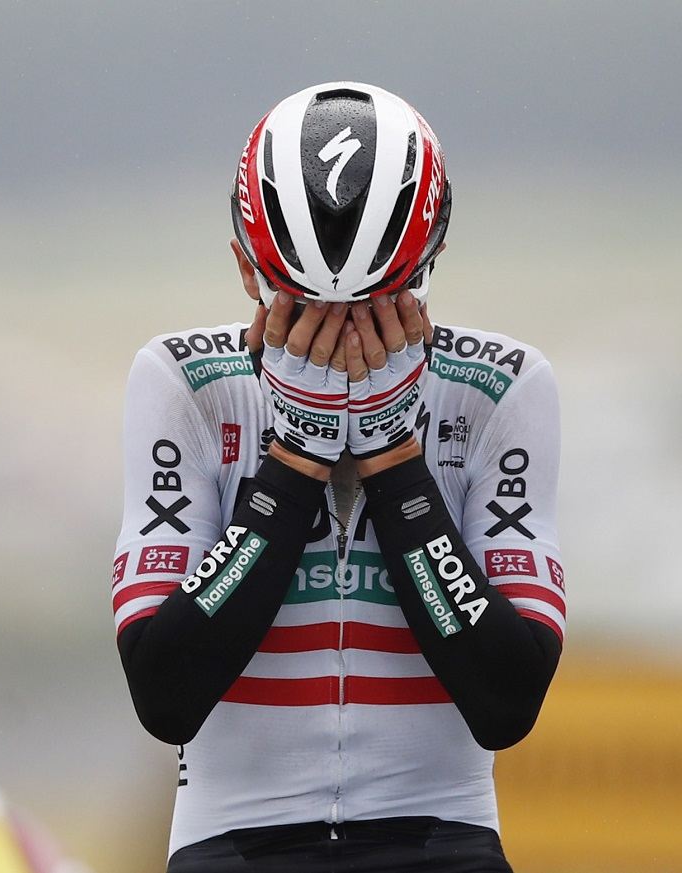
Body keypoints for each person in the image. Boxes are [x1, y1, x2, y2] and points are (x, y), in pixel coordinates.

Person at [112, 81, 566, 872]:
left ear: (430, 268)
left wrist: (396, 456)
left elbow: (507, 701)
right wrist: (294, 458)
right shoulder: (184, 379)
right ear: (247, 272)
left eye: (378, 301)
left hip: (441, 833)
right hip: (233, 837)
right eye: (304, 304)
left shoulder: (503, 385)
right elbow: (164, 692)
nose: (341, 338)